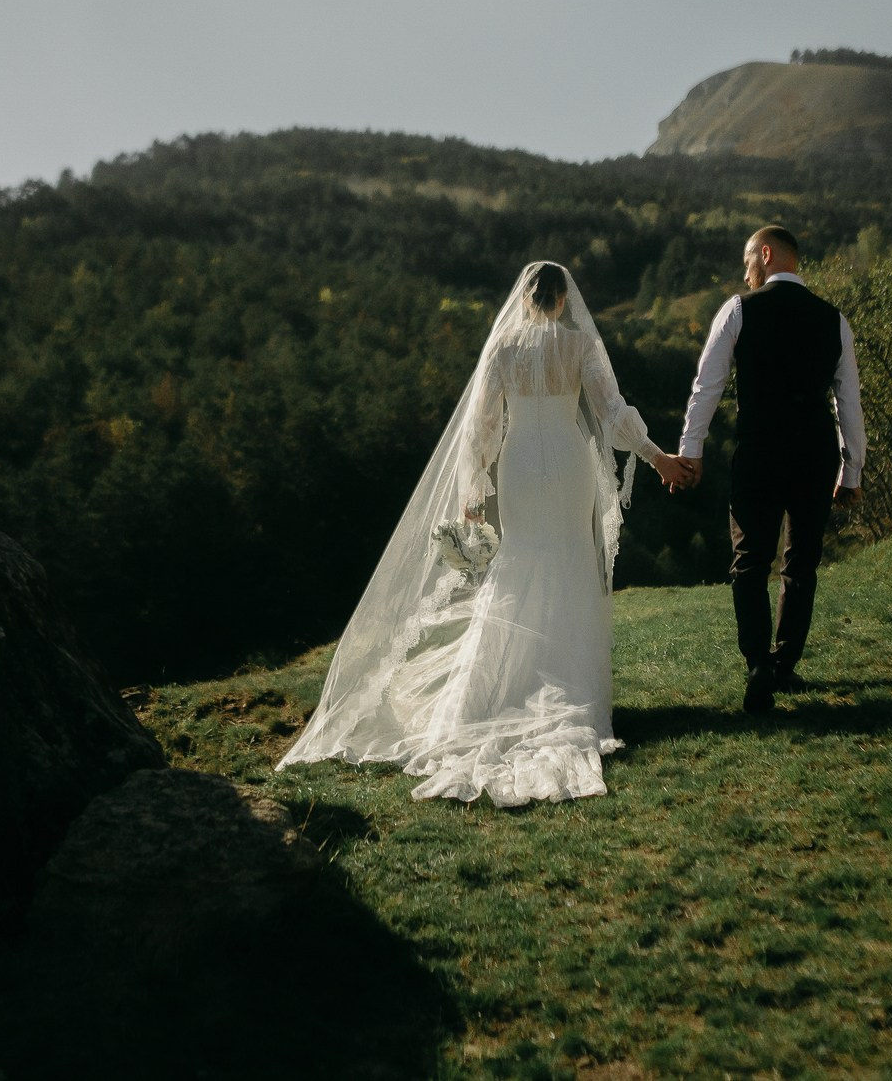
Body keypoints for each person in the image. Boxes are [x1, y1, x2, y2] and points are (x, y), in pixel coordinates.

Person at [279, 262, 689, 806]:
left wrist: (473, 493)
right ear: (564, 301)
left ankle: (496, 695)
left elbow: (481, 428)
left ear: (524, 300)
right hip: (568, 466)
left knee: (519, 563)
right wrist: (657, 457)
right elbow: (611, 414)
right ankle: (571, 690)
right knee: (566, 560)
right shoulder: (579, 349)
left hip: (518, 467)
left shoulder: (503, 351)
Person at [672, 226, 865, 715]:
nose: (745, 274)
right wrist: (852, 469)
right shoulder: (833, 319)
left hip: (760, 449)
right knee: (801, 562)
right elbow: (848, 403)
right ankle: (784, 664)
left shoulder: (739, 309)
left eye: (747, 263)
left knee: (750, 561)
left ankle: (758, 664)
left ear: (765, 254)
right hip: (815, 453)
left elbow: (706, 386)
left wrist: (691, 449)